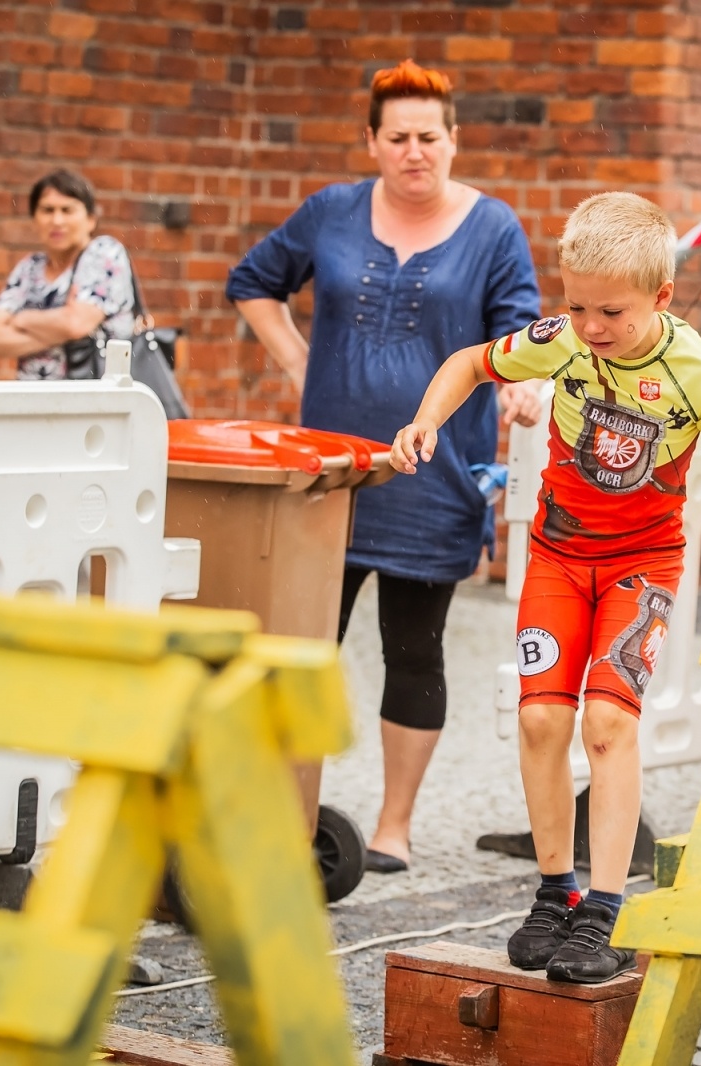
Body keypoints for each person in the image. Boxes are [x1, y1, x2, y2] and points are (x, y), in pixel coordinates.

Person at [390, 193, 701, 983]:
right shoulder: (560, 342)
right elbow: (469, 363)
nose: (590, 327)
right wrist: (426, 419)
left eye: (612, 312)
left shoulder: (698, 371)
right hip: (558, 558)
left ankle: (606, 908)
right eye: (577, 307)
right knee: (539, 720)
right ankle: (555, 892)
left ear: (662, 296)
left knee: (606, 721)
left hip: (641, 567)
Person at [225, 60, 542, 873]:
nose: (414, 152)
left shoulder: (494, 228)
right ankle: (285, 815)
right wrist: (299, 362)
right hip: (327, 475)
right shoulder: (330, 212)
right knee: (303, 649)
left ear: (454, 139)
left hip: (432, 478)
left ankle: (392, 827)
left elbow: (518, 333)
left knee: (413, 649)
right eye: (397, 137)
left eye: (429, 136)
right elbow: (253, 281)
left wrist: (519, 388)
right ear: (371, 141)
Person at [0, 170, 137, 380]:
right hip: (33, 397)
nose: (57, 220)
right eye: (47, 210)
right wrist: (63, 329)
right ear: (34, 219)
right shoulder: (29, 268)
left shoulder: (104, 254)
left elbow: (75, 324)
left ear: (91, 219)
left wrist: (22, 319)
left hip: (93, 395)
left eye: (67, 210)